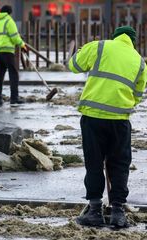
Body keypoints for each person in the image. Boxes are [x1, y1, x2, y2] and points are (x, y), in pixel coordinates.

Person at [68, 26, 146, 228]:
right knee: (120, 164)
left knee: (94, 162)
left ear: (115, 36)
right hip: (120, 120)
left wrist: (81, 50)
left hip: (93, 117)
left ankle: (94, 210)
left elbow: (73, 66)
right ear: (132, 41)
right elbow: (137, 96)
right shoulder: (139, 61)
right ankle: (118, 212)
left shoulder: (99, 46)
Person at [0, 5, 27, 108]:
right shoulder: (9, 21)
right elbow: (15, 37)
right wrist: (22, 45)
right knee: (13, 74)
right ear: (9, 13)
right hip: (8, 52)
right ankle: (14, 98)